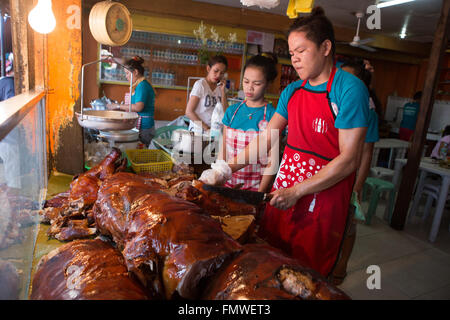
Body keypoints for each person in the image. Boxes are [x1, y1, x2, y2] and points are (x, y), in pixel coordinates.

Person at [200, 7, 369, 277]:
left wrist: (298, 191)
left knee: (306, 273)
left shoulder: (349, 89)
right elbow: (267, 138)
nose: (295, 60)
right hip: (283, 190)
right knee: (271, 260)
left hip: (322, 199)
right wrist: (224, 169)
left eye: (301, 51)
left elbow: (349, 160)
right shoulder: (292, 90)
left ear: (325, 47)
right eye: (291, 53)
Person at [331, 58, 380, 284]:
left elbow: (367, 152)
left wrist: (358, 186)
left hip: (350, 175)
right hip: (331, 171)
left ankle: (341, 266)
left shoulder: (368, 109)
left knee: (348, 224)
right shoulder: (336, 99)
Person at [219, 53, 278, 192]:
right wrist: (218, 177)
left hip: (255, 188)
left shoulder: (273, 116)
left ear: (268, 84)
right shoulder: (232, 112)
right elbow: (223, 149)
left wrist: (260, 193)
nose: (249, 88)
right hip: (227, 184)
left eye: (257, 83)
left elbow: (272, 160)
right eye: (246, 81)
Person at [107, 56, 156, 146]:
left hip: (144, 128)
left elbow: (138, 107)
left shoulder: (142, 85)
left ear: (135, 72)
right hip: (141, 125)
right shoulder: (139, 84)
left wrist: (118, 106)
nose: (126, 77)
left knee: (139, 153)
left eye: (127, 73)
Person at [185, 55, 228, 134]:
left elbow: (225, 112)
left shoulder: (221, 88)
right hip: (198, 131)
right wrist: (206, 128)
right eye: (216, 71)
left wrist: (223, 92)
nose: (218, 75)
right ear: (208, 69)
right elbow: (189, 112)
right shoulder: (200, 85)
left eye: (222, 73)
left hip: (215, 131)